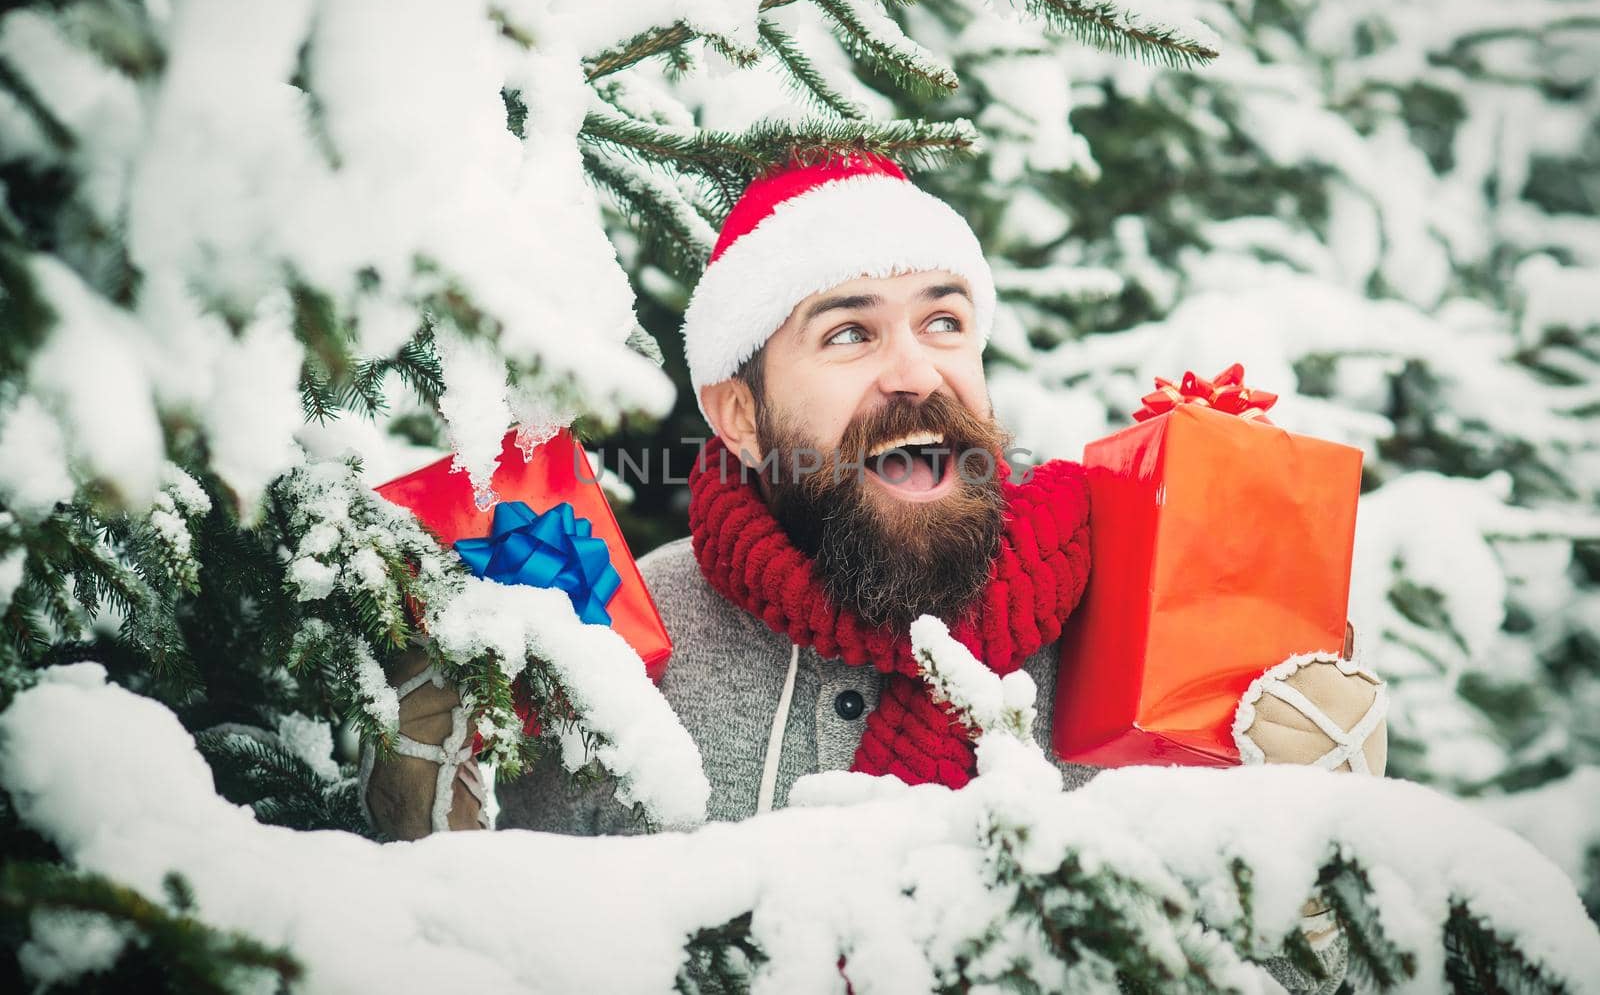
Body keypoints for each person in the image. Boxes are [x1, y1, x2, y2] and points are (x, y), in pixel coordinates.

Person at [366, 152, 1377, 992]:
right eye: (848, 332)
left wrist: (1319, 849)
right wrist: (428, 834)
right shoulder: (618, 653)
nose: (914, 371)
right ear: (739, 416)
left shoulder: (1144, 644)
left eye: (943, 323)